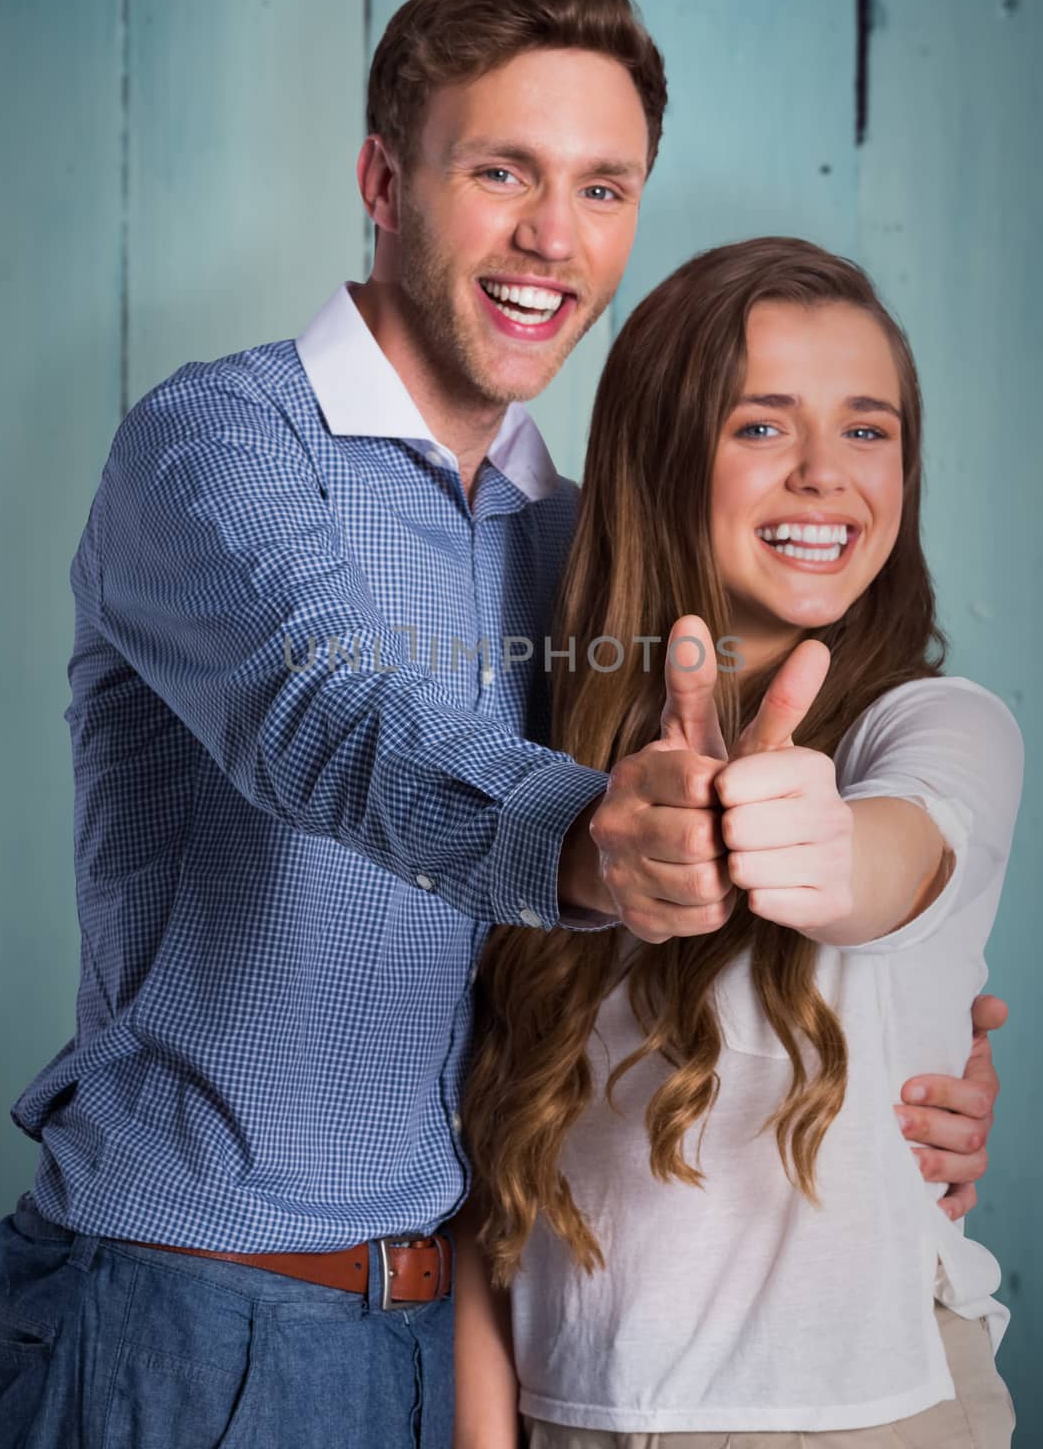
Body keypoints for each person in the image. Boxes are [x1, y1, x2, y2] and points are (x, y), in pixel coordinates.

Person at [0, 0, 1002, 1449]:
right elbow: (329, 724)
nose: (552, 237)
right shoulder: (215, 451)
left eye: (602, 187)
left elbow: (734, 918)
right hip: (180, 1318)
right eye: (501, 171)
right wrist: (590, 843)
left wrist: (923, 1061)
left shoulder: (581, 555)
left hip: (446, 1339)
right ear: (384, 182)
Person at [455, 237, 1023, 1448]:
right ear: (663, 458)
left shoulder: (942, 726)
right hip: (568, 1412)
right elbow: (456, 1142)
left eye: (870, 430)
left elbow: (896, 856)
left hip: (868, 1414)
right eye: (762, 426)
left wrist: (801, 841)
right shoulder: (528, 765)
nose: (827, 474)